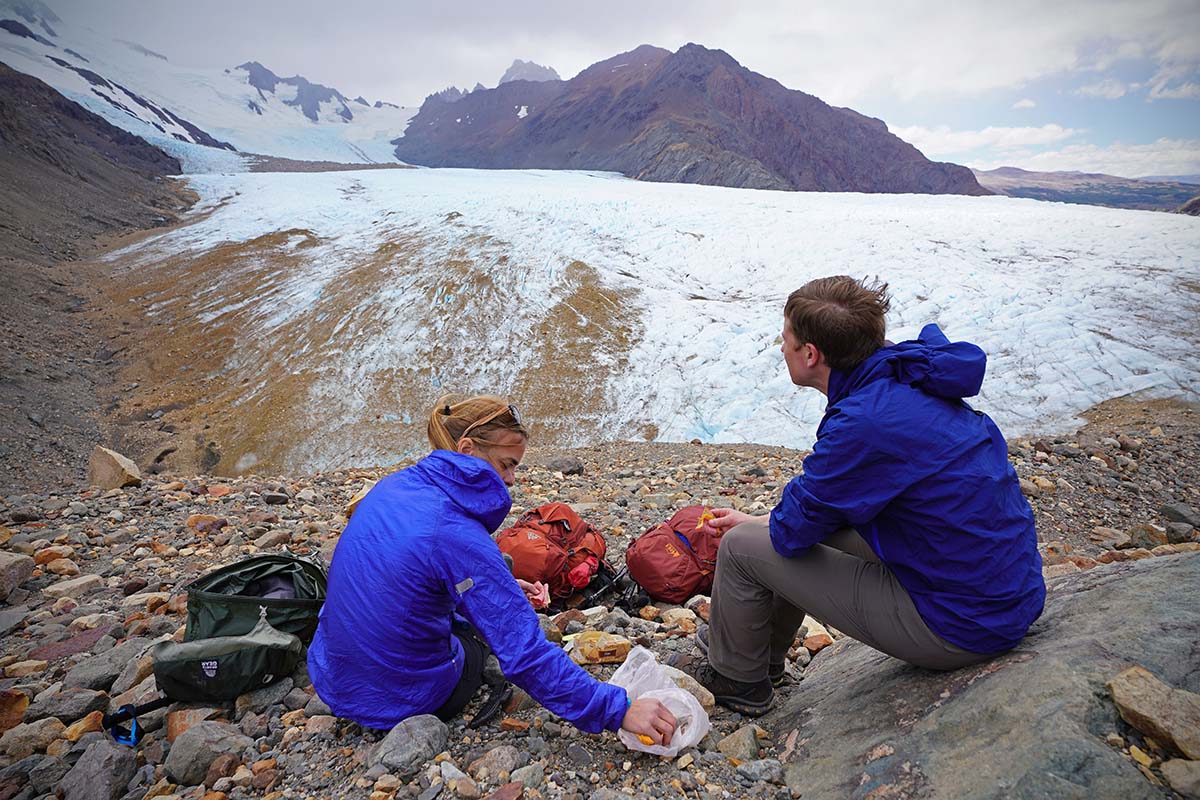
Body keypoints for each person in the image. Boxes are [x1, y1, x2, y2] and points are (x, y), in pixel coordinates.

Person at [688, 276, 1045, 716]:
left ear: (811, 354)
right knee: (779, 530)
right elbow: (821, 509)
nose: (781, 348)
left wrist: (762, 527)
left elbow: (793, 533)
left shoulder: (865, 423)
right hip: (999, 591)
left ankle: (737, 680)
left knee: (742, 550)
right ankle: (762, 658)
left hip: (961, 624)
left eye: (786, 339)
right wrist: (766, 519)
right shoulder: (905, 374)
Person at [308, 394, 677, 742]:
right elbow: (524, 653)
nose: (513, 479)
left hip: (333, 674)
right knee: (479, 642)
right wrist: (619, 709)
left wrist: (501, 584)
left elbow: (407, 578)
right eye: (507, 464)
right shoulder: (456, 532)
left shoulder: (392, 487)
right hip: (401, 698)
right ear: (467, 449)